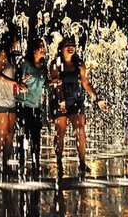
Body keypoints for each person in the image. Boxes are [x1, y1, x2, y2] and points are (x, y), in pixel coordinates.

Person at [49, 37, 107, 177]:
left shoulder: (79, 64)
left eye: (73, 45)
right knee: (60, 132)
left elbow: (85, 83)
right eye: (67, 45)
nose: (71, 47)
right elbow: (56, 84)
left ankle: (82, 161)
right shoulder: (56, 63)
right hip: (60, 99)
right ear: (61, 48)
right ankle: (59, 162)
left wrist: (97, 99)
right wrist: (62, 100)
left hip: (76, 100)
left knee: (80, 131)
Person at [15, 38, 60, 179]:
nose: (44, 48)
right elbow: (16, 80)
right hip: (23, 105)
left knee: (36, 136)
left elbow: (43, 83)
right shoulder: (25, 63)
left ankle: (35, 163)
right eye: (41, 46)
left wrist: (51, 82)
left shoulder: (42, 65)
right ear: (34, 49)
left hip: (36, 106)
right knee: (23, 135)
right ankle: (21, 164)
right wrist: (21, 82)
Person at [0, 29, 28, 179]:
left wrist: (21, 82)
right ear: (10, 40)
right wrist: (16, 81)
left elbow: (10, 80)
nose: (18, 43)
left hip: (10, 99)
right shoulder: (0, 53)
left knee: (10, 135)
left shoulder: (10, 58)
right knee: (2, 134)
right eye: (17, 40)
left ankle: (5, 165)